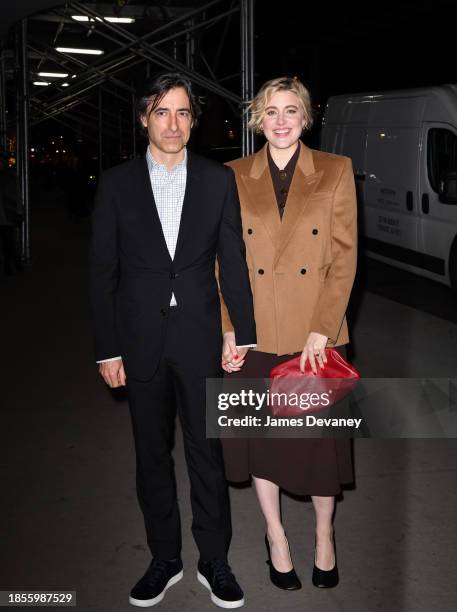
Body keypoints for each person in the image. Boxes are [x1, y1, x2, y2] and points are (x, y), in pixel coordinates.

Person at [90, 72, 256, 609]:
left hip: (200, 338)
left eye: (183, 112)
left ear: (193, 121)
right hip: (139, 341)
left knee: (207, 452)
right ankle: (165, 557)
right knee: (151, 455)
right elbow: (102, 272)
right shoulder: (115, 184)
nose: (173, 123)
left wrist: (241, 334)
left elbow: (232, 260)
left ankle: (214, 560)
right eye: (161, 112)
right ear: (143, 118)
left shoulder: (216, 179)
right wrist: (107, 347)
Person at [220, 76, 357, 591]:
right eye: (271, 111)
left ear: (306, 117)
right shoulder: (231, 174)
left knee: (319, 445)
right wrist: (230, 330)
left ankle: (324, 535)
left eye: (291, 111)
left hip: (315, 335)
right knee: (262, 442)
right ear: (259, 119)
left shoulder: (336, 170)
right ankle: (276, 536)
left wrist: (324, 328)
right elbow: (223, 263)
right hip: (255, 334)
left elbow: (344, 257)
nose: (280, 121)